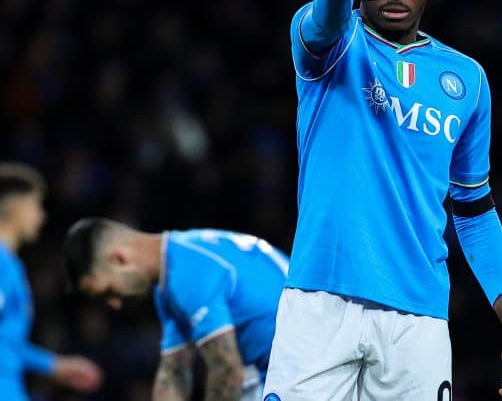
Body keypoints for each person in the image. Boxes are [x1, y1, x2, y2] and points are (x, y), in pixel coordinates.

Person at [262, 0, 502, 400]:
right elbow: (320, 26)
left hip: (418, 320)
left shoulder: (467, 80)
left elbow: (474, 210)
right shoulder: (334, 45)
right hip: (319, 300)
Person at [61, 218, 289, 400]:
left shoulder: (185, 274)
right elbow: (174, 373)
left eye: (109, 291)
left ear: (119, 259)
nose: (115, 304)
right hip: (280, 367)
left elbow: (227, 371)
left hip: (293, 371)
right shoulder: (175, 268)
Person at [0, 162, 103, 400]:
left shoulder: (11, 265)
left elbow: (6, 343)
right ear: (14, 207)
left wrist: (53, 365)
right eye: (35, 205)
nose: (41, 217)